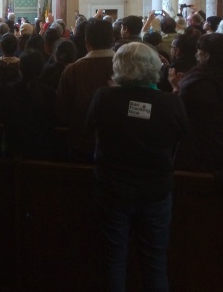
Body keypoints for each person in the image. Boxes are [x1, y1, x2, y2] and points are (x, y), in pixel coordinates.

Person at [88, 42, 187, 292]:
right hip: (155, 190)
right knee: (155, 262)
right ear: (155, 69)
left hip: (113, 188)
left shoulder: (104, 97)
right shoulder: (170, 103)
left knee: (114, 258)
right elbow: (183, 137)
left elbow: (88, 128)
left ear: (118, 68)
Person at [169, 32, 223, 172]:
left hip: (200, 152)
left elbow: (181, 116)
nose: (197, 54)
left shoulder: (195, 83)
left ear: (206, 55)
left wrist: (176, 89)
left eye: (200, 51)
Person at [57, 18, 115, 162]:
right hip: (118, 145)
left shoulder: (73, 70)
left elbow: (61, 109)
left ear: (86, 42)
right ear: (113, 40)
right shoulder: (128, 68)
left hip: (81, 143)